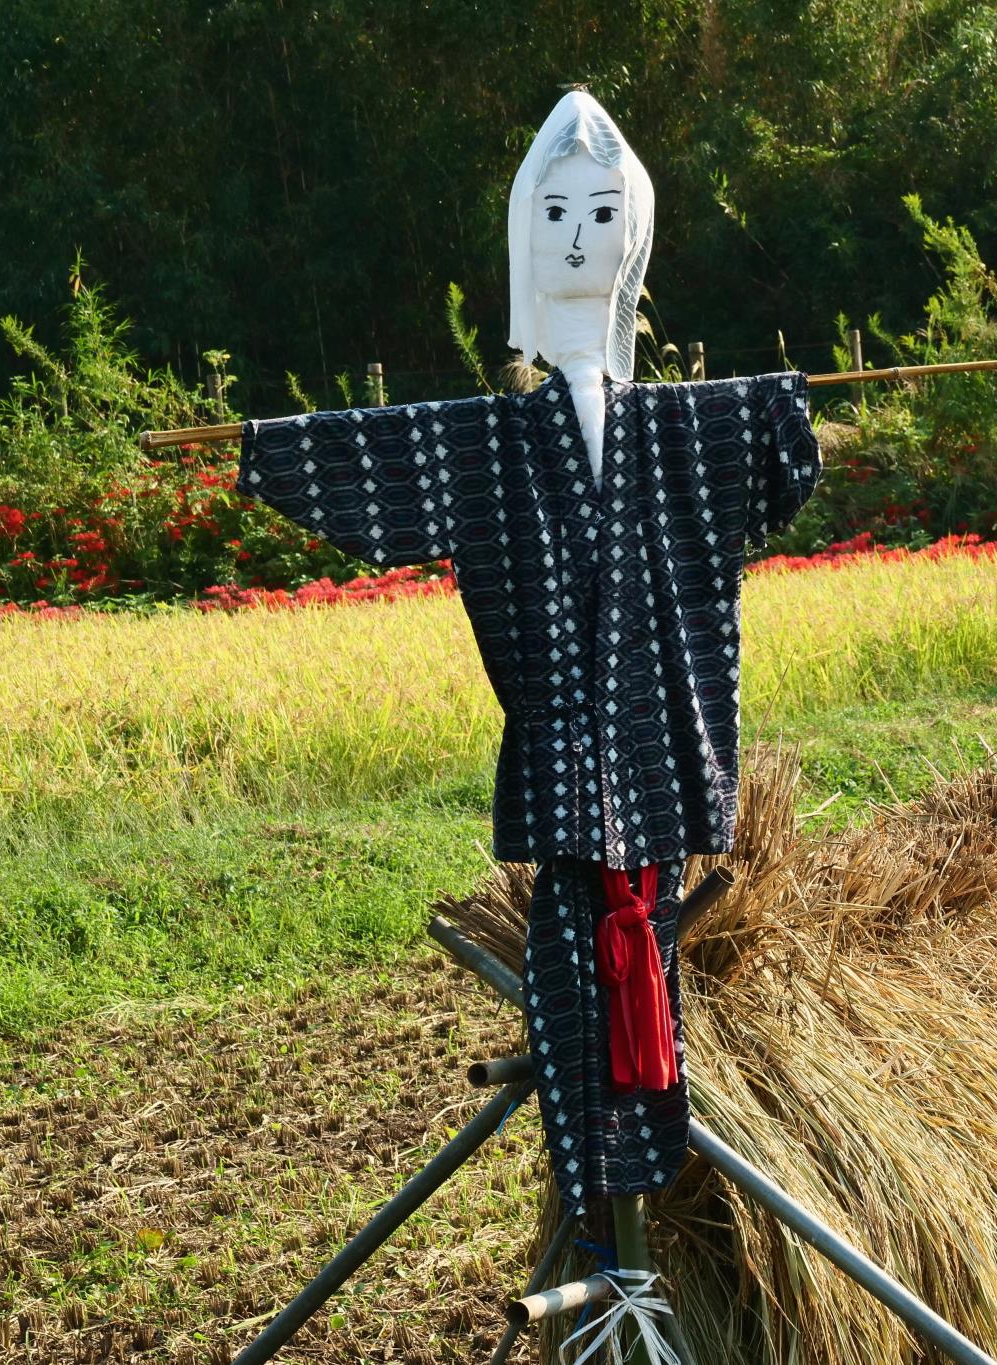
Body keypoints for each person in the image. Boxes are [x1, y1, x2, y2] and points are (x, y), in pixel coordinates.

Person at [235, 89, 821, 1221]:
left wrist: (777, 406)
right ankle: (605, 1217)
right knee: (576, 956)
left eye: (600, 215)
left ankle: (634, 1207)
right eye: (554, 216)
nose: (576, 239)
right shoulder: (489, 443)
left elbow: (780, 463)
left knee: (646, 943)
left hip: (662, 744)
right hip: (558, 755)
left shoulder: (694, 427)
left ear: (634, 235)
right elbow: (374, 455)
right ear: (522, 236)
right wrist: (269, 449)